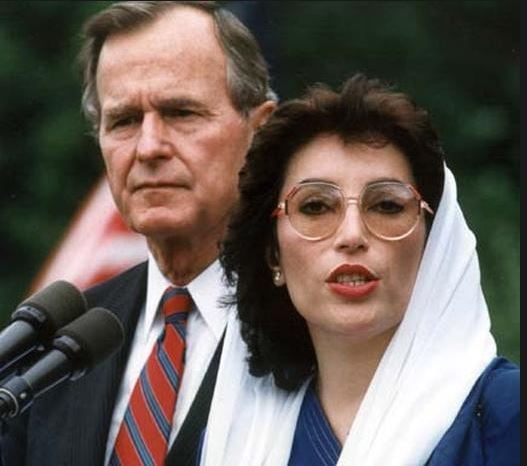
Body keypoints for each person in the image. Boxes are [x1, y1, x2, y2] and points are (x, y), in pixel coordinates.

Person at [0, 2, 275, 465]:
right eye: (124, 121)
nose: (148, 147)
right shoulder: (54, 350)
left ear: (261, 131)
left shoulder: (322, 327)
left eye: (181, 112)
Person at [198, 74, 519, 465]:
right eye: (315, 206)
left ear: (434, 244)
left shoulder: (507, 413)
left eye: (386, 205)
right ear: (273, 255)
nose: (352, 235)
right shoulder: (233, 435)